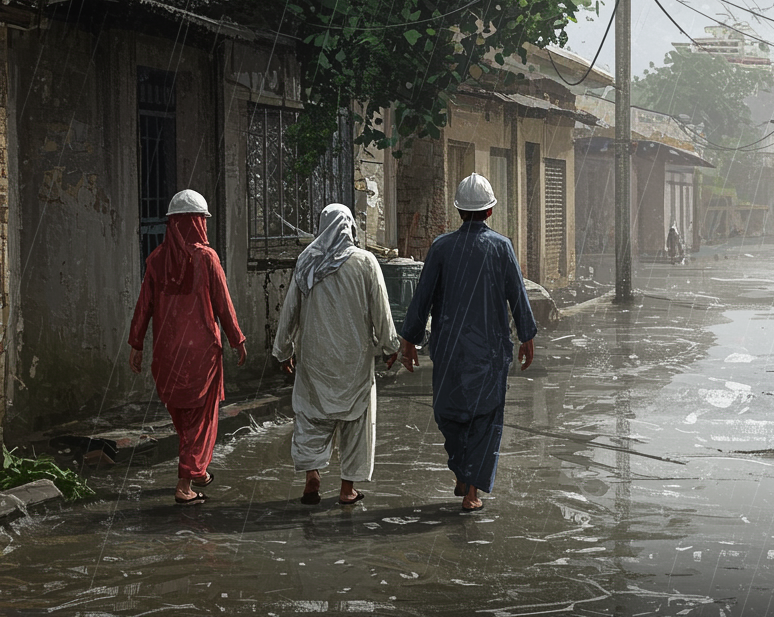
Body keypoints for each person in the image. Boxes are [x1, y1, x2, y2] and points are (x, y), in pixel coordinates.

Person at [396, 173, 536, 512]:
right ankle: (471, 488)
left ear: (458, 212)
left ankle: (463, 470)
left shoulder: (442, 247)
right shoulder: (501, 247)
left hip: (450, 349)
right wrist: (527, 335)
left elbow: (422, 297)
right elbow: (517, 295)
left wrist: (409, 339)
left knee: (451, 412)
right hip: (490, 350)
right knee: (486, 418)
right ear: (489, 212)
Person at [273, 204, 400, 506]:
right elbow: (381, 311)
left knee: (312, 419)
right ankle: (347, 489)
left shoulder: (307, 262)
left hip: (314, 361)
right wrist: (390, 346)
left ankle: (312, 477)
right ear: (351, 229)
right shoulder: (365, 262)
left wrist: (283, 350)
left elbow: (290, 309)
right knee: (356, 423)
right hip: (354, 361)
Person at [129, 189, 246, 505]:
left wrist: (137, 344)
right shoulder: (207, 258)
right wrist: (237, 339)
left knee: (183, 416)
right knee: (201, 419)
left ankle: (198, 471)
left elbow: (144, 305)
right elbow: (223, 303)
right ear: (198, 222)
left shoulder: (156, 260)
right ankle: (185, 483)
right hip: (202, 353)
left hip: (167, 355)